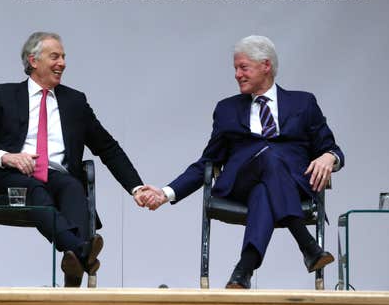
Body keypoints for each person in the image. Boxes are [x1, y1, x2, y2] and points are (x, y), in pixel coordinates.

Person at [137, 35, 344, 289]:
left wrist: (329, 157)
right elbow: (208, 161)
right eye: (235, 68)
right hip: (240, 184)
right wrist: (167, 193)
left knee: (264, 187)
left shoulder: (303, 102)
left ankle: (243, 270)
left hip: (288, 184)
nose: (237, 74)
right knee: (268, 156)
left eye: (243, 67)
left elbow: (332, 148)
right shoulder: (227, 109)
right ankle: (307, 244)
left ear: (265, 66)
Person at [0, 31, 144, 287]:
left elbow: (107, 147)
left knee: (72, 186)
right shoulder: (2, 95)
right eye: (55, 56)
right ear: (33, 61)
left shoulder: (75, 101)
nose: (62, 63)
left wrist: (135, 187)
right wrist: (8, 157)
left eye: (63, 57)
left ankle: (74, 261)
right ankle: (81, 251)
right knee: (36, 190)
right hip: (15, 177)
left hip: (59, 177)